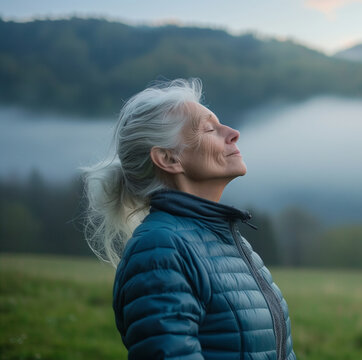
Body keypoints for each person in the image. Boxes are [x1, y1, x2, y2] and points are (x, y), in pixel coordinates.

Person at [82, 78, 296, 360]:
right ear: (169, 159)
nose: (234, 133)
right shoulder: (160, 250)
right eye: (210, 128)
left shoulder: (228, 239)